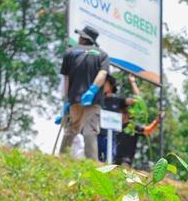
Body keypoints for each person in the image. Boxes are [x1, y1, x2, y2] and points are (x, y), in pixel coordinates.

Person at [58, 26, 110, 161]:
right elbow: (103, 73)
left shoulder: (70, 52)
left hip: (75, 97)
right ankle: (91, 162)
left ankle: (62, 158)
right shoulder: (102, 55)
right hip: (93, 99)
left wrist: (67, 100)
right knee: (90, 129)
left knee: (73, 127)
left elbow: (66, 78)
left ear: (82, 37)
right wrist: (92, 90)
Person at [98, 74, 139, 162]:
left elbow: (137, 100)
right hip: (96, 136)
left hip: (110, 138)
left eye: (104, 83)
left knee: (108, 163)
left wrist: (132, 82)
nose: (101, 85)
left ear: (111, 85)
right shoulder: (97, 100)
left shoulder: (118, 101)